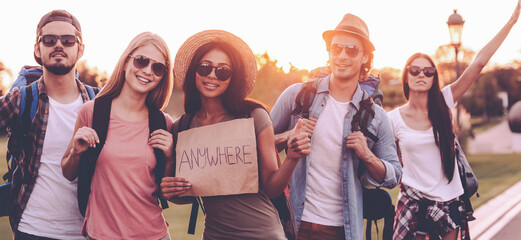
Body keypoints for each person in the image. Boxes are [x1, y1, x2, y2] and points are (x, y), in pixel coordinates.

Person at [160, 29, 310, 240]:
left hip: (264, 234)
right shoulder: (182, 128)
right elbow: (189, 194)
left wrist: (292, 158)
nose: (212, 75)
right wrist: (170, 189)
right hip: (214, 235)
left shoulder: (254, 116)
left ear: (233, 77)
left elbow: (273, 187)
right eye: (205, 67)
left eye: (222, 71)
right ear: (195, 71)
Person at [389, 2, 520, 239]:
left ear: (434, 77)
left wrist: (511, 22)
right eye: (415, 70)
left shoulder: (445, 101)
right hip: (412, 203)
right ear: (406, 76)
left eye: (428, 72)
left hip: (447, 202)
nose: (421, 75)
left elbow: (479, 63)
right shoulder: (393, 119)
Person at [270, 13, 402, 240]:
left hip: (343, 230)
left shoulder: (376, 116)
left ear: (365, 58)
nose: (342, 55)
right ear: (329, 53)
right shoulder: (297, 95)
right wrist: (288, 136)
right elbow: (257, 143)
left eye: (351, 49)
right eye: (336, 48)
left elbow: (394, 176)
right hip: (291, 224)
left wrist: (367, 156)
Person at [61, 32, 174, 239]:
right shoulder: (91, 112)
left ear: (162, 77)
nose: (148, 71)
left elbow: (165, 191)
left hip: (154, 234)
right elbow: (68, 173)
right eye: (141, 61)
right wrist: (76, 153)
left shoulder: (163, 123)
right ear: (125, 62)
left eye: (158, 68)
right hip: (100, 234)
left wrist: (169, 157)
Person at [0, 10, 92, 239]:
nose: (59, 45)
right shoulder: (22, 99)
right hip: (31, 229)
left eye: (68, 40)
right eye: (49, 40)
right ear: (37, 49)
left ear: (80, 49)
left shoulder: (98, 102)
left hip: (88, 230)